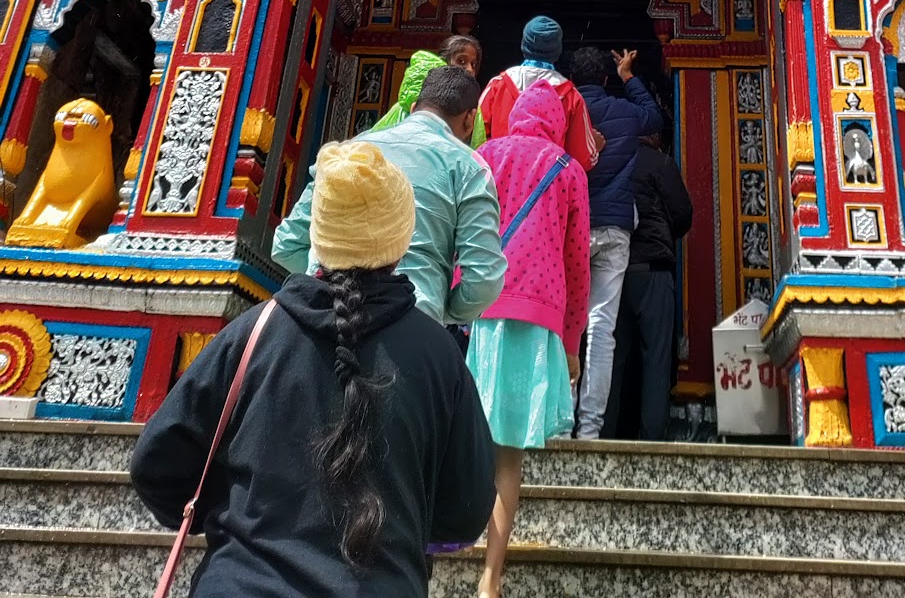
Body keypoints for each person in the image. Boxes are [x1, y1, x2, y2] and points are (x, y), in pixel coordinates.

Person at [131, 141, 496, 596]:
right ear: (403, 236)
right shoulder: (439, 353)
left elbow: (155, 466)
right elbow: (466, 510)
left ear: (318, 236)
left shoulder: (252, 333)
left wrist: (234, 517)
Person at [469, 81, 590, 598]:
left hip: (486, 306)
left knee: (471, 434)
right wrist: (572, 338)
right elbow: (577, 260)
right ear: (558, 123)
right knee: (508, 457)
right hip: (540, 312)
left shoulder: (484, 157)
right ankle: (490, 578)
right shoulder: (569, 171)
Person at [273, 67, 506, 330]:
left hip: (321, 317)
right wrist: (442, 308)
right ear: (470, 120)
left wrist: (324, 272)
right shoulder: (468, 166)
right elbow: (484, 278)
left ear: (414, 106)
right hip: (414, 319)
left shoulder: (350, 152)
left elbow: (286, 244)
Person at [567, 45, 662, 440]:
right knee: (602, 330)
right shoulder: (625, 111)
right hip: (615, 229)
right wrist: (629, 77)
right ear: (606, 78)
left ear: (572, 77)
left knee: (565, 327)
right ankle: (589, 428)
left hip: (571, 228)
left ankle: (559, 423)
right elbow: (656, 117)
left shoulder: (564, 109)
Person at [604, 130, 693, 440]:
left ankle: (604, 433)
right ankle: (652, 437)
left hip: (612, 271)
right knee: (656, 356)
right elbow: (683, 213)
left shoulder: (607, 158)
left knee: (610, 355)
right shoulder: (660, 162)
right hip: (652, 269)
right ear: (653, 133)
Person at [479, 14, 600, 170]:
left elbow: (476, 141)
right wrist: (595, 148)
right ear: (558, 51)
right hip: (547, 190)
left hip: (498, 186)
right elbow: (582, 159)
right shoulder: (571, 97)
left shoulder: (497, 86)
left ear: (524, 45)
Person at [373, 34, 486, 146]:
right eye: (461, 61)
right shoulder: (407, 103)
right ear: (443, 64)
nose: (470, 69)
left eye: (473, 64)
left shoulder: (471, 106)